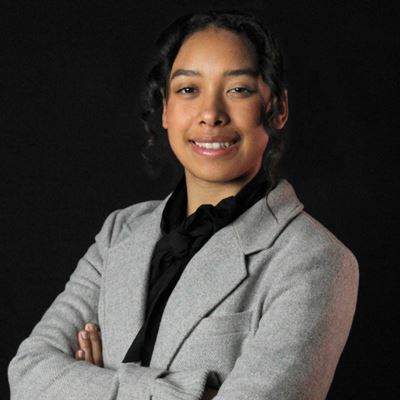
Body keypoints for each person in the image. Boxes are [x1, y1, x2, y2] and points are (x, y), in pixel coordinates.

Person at [8, 10, 359, 400]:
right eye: (189, 89)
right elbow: (27, 374)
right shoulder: (119, 231)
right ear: (165, 109)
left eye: (238, 89)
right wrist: (190, 392)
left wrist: (91, 381)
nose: (211, 114)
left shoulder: (315, 260)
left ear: (277, 108)